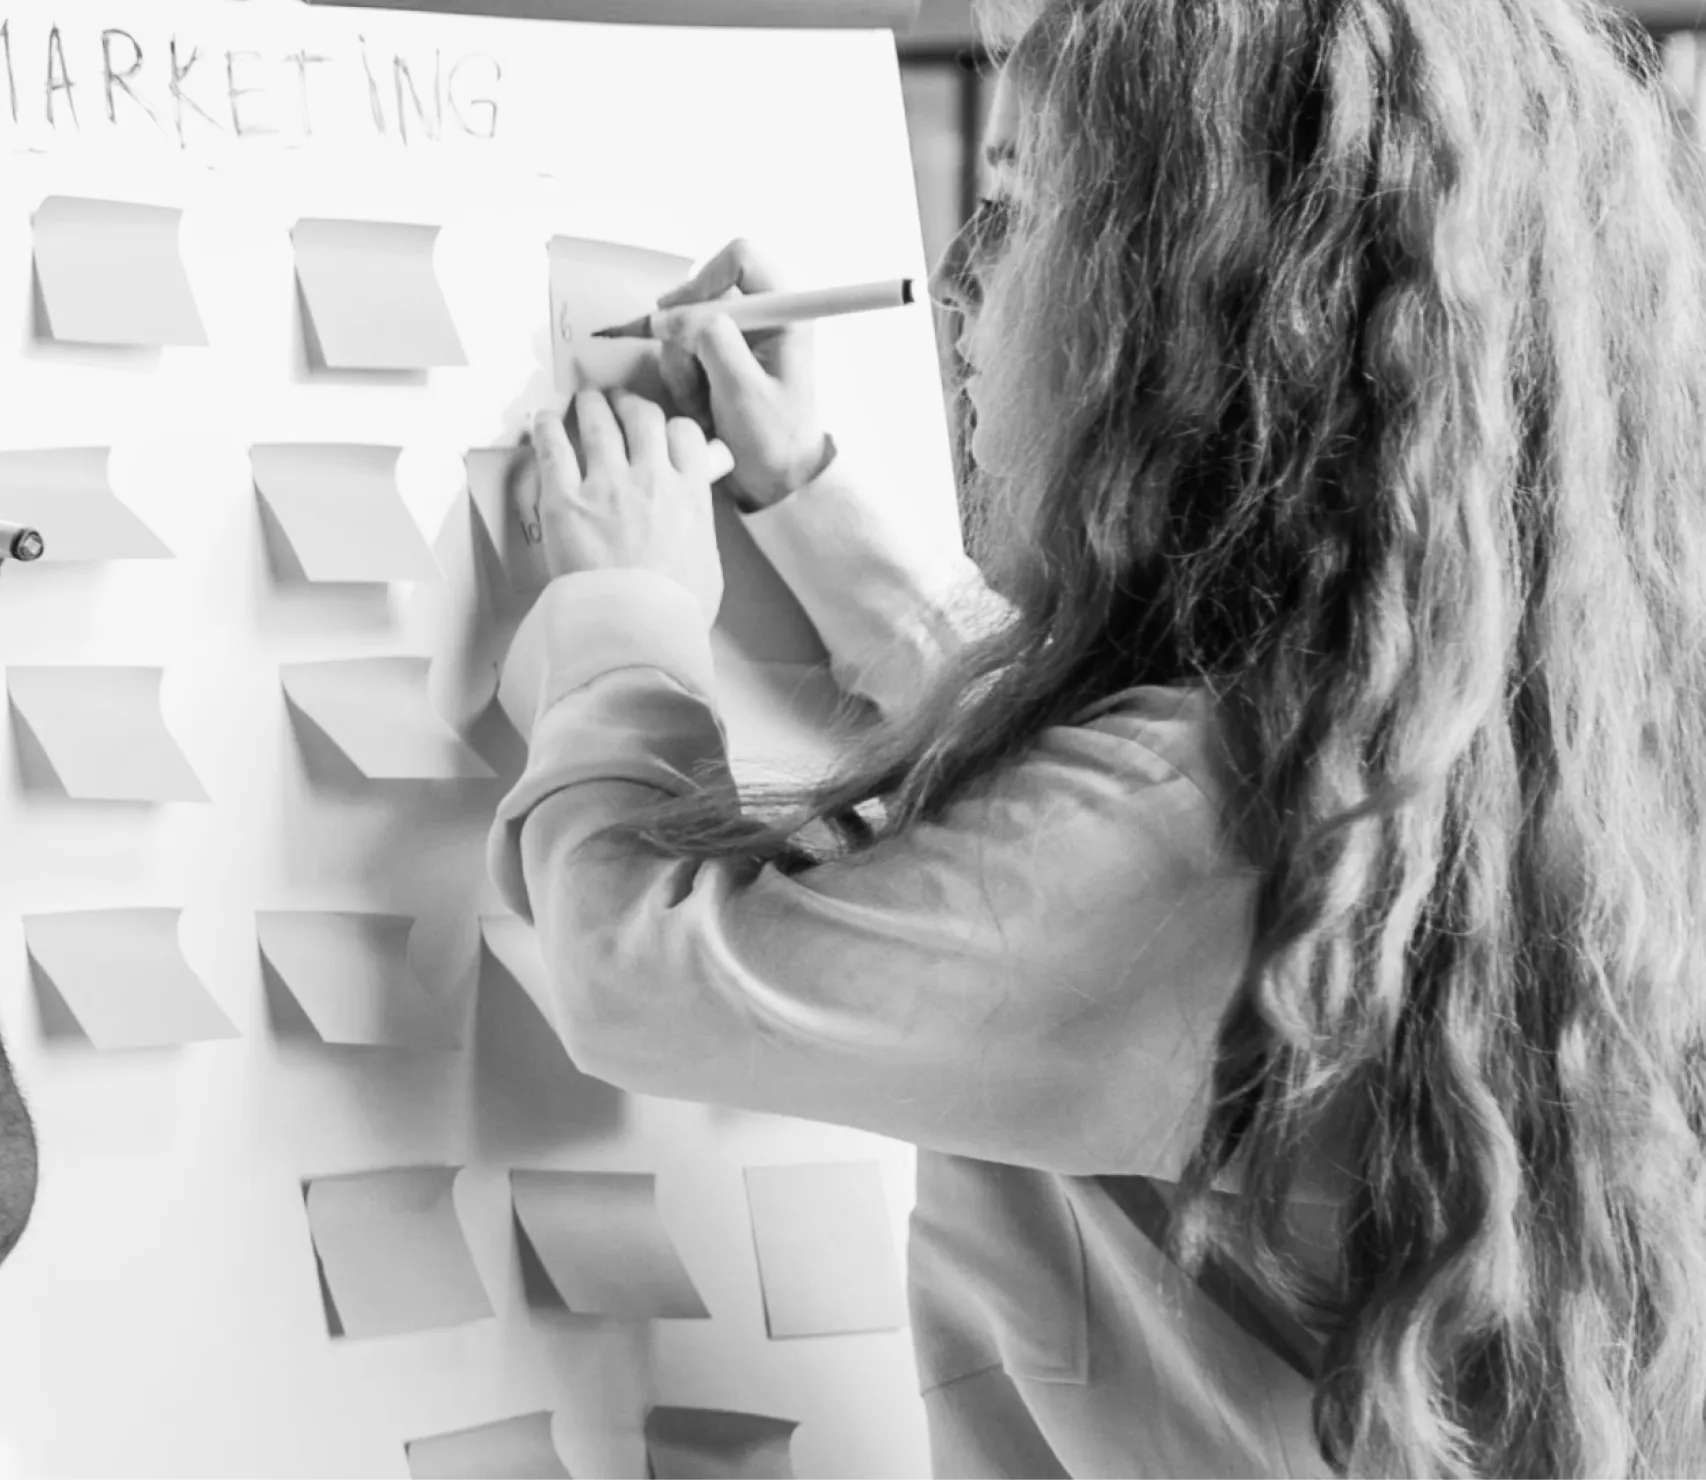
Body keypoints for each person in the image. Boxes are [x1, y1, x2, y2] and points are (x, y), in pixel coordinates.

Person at [488, 0, 1706, 1475]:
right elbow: (1062, 830)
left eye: (1016, 219)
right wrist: (802, 501)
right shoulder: (1436, 745)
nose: (961, 295)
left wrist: (625, 602)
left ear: (1177, 327)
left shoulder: (1186, 844)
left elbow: (646, 977)